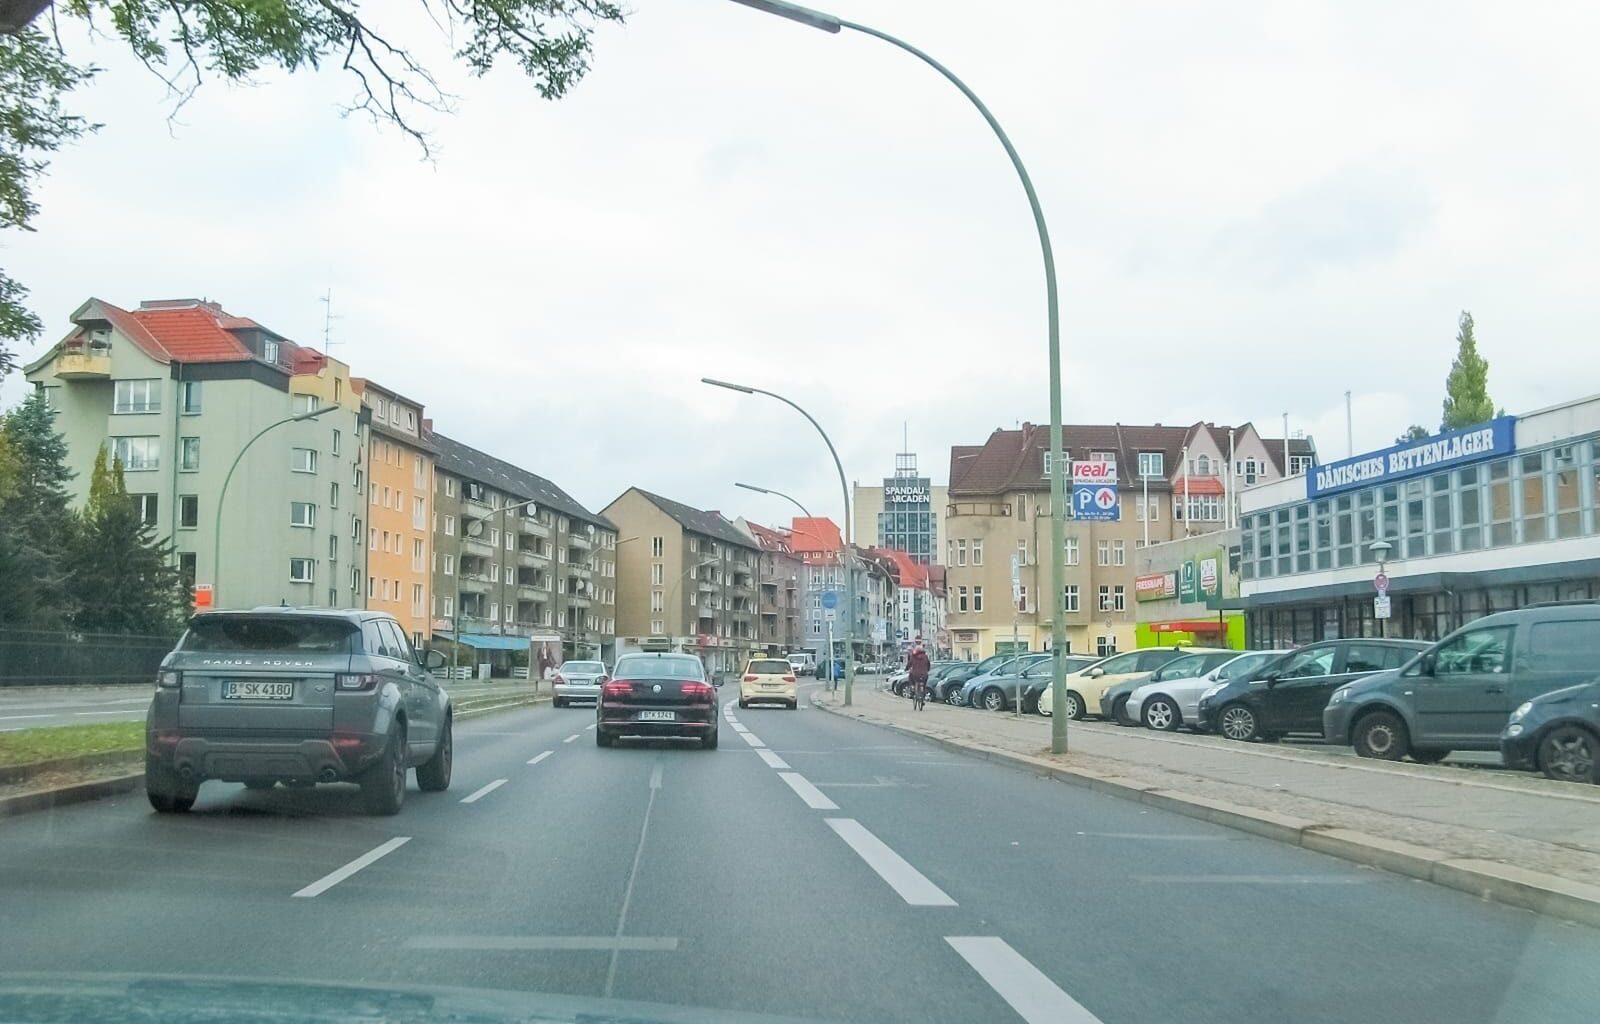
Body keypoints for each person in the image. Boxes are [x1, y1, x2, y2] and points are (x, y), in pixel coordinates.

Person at [906, 642, 932, 711]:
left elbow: (909, 664)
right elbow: (928, 665)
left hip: (915, 674)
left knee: (910, 677)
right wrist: (927, 670)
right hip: (924, 674)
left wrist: (906, 669)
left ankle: (912, 687)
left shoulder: (913, 657)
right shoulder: (925, 656)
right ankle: (923, 696)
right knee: (924, 684)